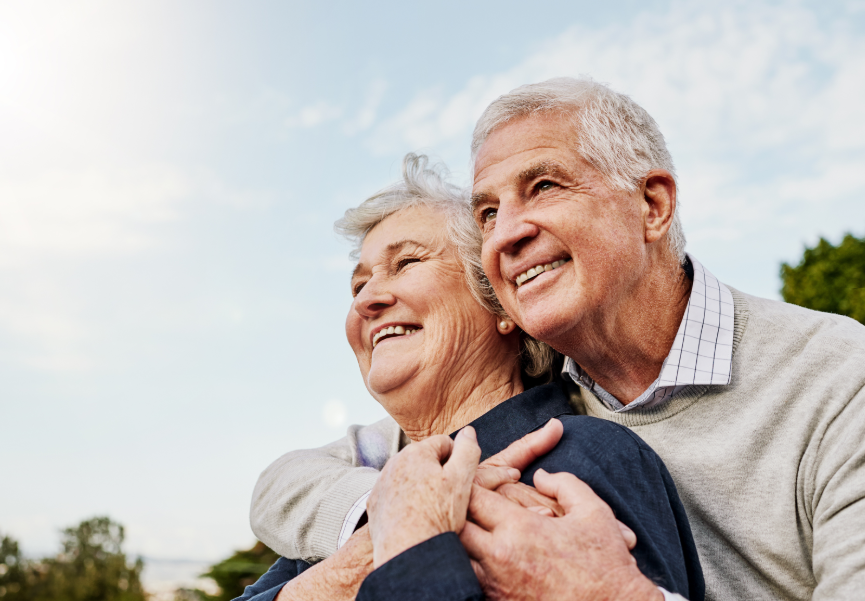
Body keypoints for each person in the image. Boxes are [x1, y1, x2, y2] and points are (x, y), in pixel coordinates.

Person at [251, 77, 865, 600]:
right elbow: (295, 480)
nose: (506, 235)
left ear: (652, 205)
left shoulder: (839, 378)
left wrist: (616, 593)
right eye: (488, 212)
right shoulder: (493, 427)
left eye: (544, 186)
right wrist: (387, 521)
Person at [240, 154, 704, 601]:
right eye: (359, 286)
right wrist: (371, 546)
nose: (367, 300)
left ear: (501, 305)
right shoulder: (350, 499)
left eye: (406, 263)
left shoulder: (583, 458)